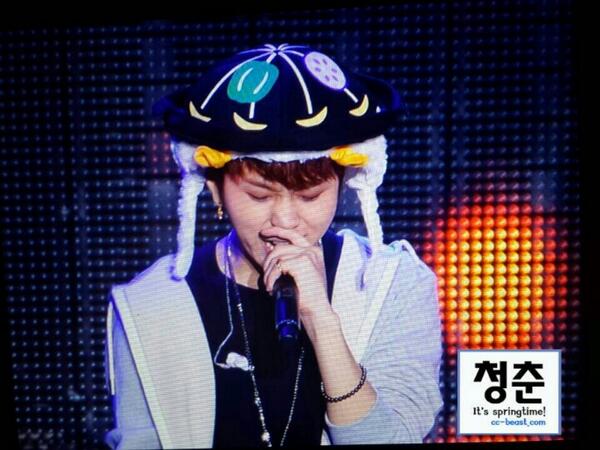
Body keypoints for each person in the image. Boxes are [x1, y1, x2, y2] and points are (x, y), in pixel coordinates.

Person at [103, 43, 443, 448]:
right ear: (216, 189)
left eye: (311, 196)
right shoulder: (151, 305)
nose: (285, 220)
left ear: (343, 185)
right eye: (259, 196)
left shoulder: (392, 283)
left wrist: (322, 323)